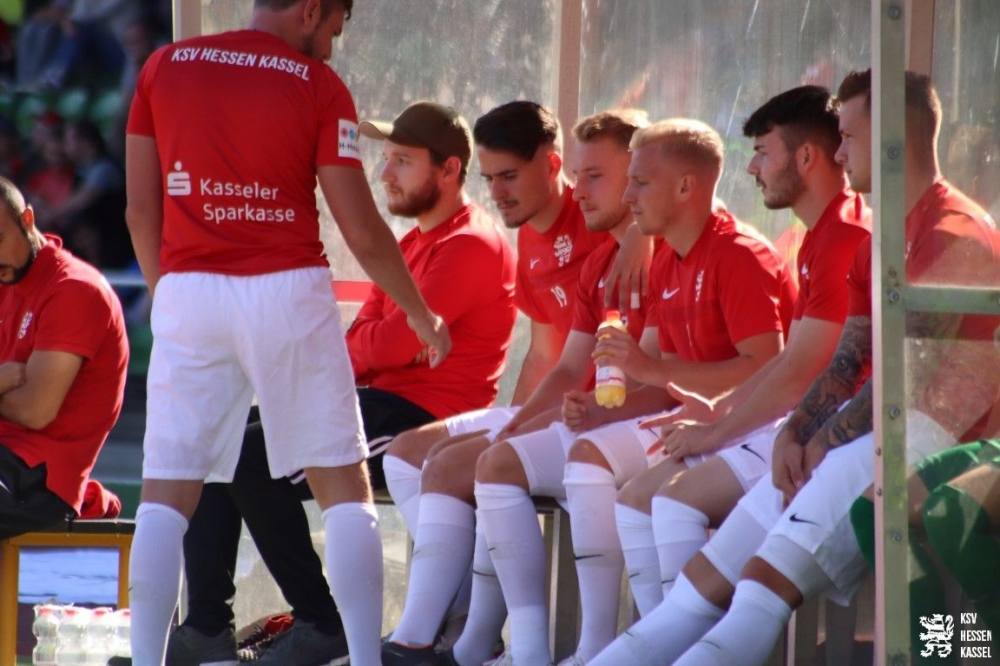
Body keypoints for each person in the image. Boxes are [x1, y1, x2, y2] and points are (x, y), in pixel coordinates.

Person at [589, 69, 1000, 666]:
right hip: (872, 434)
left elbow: (904, 382)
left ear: (890, 135)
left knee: (764, 584)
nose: (839, 152)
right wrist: (795, 433)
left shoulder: (953, 230)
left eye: (849, 137)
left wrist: (818, 440)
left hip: (930, 442)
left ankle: (978, 646)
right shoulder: (877, 240)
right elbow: (846, 362)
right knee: (698, 585)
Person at [123, 2, 452, 665]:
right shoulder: (318, 85)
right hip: (288, 288)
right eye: (333, 30)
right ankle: (363, 661)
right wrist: (422, 316)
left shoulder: (163, 66)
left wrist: (172, 297)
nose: (330, 48)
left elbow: (139, 210)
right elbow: (361, 228)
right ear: (309, 11)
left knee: (166, 492)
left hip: (188, 288)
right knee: (345, 490)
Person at [166, 101, 517, 666]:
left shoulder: (471, 243)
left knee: (251, 460)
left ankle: (320, 623)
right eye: (387, 159)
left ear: (450, 170)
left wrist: (376, 347)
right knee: (218, 437)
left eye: (402, 161)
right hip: (374, 401)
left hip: (418, 420)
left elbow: (388, 343)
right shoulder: (413, 245)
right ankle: (207, 626)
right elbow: (365, 341)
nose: (384, 174)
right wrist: (375, 347)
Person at [498, 116, 795, 666]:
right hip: (717, 423)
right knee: (633, 500)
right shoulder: (669, 257)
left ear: (685, 187)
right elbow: (664, 373)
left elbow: (769, 369)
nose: (628, 196)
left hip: (776, 431)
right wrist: (615, 396)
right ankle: (641, 650)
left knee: (650, 496)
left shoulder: (738, 253)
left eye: (638, 182)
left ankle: (650, 651)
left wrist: (651, 373)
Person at [381, 108, 652, 666]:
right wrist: (517, 420)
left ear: (551, 166)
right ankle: (458, 624)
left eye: (508, 176)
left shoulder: (613, 228)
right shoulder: (536, 236)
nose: (497, 192)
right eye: (489, 178)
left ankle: (450, 638)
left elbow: (681, 181)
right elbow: (551, 356)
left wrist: (639, 237)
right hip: (571, 407)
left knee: (481, 467)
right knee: (407, 456)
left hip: (615, 415)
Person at [609, 85, 870, 621]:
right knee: (637, 501)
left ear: (805, 157)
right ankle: (657, 645)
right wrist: (719, 410)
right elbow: (790, 364)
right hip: (810, 429)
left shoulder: (843, 235)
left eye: (761, 152)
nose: (750, 167)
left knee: (676, 510)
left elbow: (797, 373)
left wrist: (716, 429)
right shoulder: (818, 235)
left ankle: (661, 644)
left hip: (838, 439)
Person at [0, 175, 128, 541]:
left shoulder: (74, 289)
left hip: (38, 479)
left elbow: (36, 410)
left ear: (27, 220)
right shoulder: (9, 278)